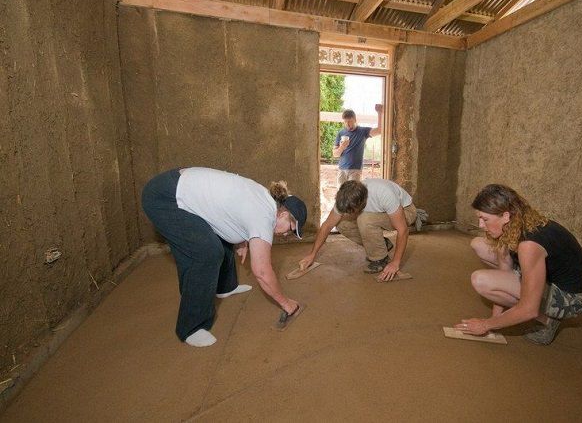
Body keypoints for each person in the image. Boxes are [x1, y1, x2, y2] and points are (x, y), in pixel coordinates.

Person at [142, 167, 307, 347]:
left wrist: (242, 239)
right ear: (282, 214)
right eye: (290, 228)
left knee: (221, 238)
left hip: (175, 186)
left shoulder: (265, 199)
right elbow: (261, 271)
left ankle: (225, 286)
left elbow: (231, 213)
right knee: (207, 253)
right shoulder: (264, 217)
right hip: (165, 198)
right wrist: (286, 303)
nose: (286, 234)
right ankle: (191, 327)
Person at [455, 184, 582, 345]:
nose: (480, 225)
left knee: (481, 280)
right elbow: (504, 271)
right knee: (478, 244)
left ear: (505, 216)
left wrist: (485, 325)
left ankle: (548, 321)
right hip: (549, 276)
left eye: (485, 219)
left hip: (572, 298)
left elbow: (529, 309)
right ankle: (525, 306)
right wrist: (495, 318)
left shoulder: (529, 245)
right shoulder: (515, 223)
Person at [299, 179, 416, 281]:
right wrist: (312, 254)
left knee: (364, 219)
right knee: (341, 223)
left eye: (351, 210)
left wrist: (395, 263)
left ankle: (380, 259)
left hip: (406, 212)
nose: (347, 213)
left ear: (361, 203)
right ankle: (381, 245)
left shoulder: (384, 194)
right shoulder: (347, 196)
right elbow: (327, 225)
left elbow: (403, 230)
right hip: (378, 212)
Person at [333, 104, 383, 186]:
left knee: (353, 195)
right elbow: (335, 154)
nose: (347, 124)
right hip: (341, 170)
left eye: (349, 121)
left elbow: (379, 130)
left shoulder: (363, 131)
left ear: (355, 119)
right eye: (345, 122)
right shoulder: (341, 133)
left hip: (355, 171)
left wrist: (379, 113)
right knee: (341, 196)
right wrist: (342, 147)